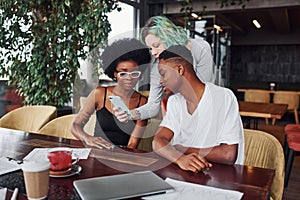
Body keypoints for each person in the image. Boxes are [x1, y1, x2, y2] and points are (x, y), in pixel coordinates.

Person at [152, 45, 244, 173]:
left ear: (179, 69)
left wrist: (182, 149)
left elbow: (228, 154)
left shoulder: (223, 97)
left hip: (220, 179)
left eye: (163, 74)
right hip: (185, 174)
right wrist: (180, 159)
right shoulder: (174, 102)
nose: (161, 81)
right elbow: (158, 141)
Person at [115, 15, 215, 121]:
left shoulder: (200, 48)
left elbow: (203, 90)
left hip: (206, 114)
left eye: (156, 45)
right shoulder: (157, 69)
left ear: (169, 37)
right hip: (180, 118)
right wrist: (131, 114)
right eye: (150, 48)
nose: (153, 52)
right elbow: (153, 106)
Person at [71, 38, 151, 149]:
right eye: (123, 73)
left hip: (123, 154)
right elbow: (75, 126)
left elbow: (133, 143)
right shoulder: (99, 94)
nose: (129, 78)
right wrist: (88, 138)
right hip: (96, 151)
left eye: (134, 73)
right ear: (114, 73)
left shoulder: (142, 102)